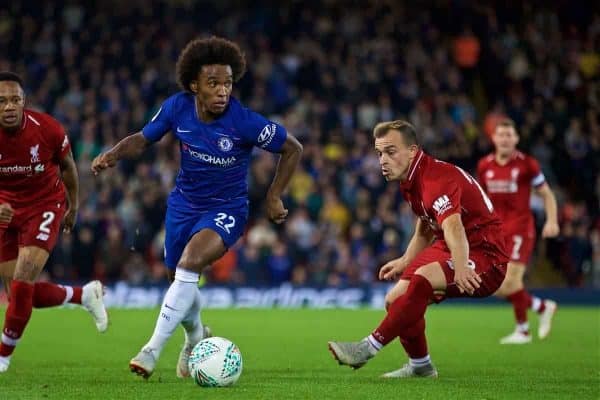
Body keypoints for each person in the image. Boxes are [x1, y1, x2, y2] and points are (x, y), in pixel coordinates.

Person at [92, 37, 302, 379]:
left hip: (227, 208)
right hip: (183, 205)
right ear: (194, 85)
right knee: (179, 278)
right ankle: (195, 338)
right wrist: (113, 154)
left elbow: (293, 148)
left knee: (190, 263)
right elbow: (143, 138)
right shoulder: (177, 108)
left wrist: (274, 195)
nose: (223, 91)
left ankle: (151, 350)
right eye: (214, 83)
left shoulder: (245, 122)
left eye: (228, 83)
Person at [327, 120, 508, 378]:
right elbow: (426, 225)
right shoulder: (411, 178)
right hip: (453, 244)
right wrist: (405, 260)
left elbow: (454, 226)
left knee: (422, 280)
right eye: (379, 153)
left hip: (487, 254)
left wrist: (460, 264)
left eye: (391, 152)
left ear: (412, 151)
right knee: (395, 300)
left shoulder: (435, 179)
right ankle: (420, 365)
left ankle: (367, 347)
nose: (383, 161)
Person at [0, 72, 109, 373]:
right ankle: (83, 294)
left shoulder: (47, 129)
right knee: (20, 297)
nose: (9, 107)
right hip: (6, 212)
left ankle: (2, 357)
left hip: (44, 205)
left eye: (14, 100)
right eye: (1, 101)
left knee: (22, 282)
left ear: (24, 102)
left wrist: (73, 208)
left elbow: (69, 169)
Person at [477, 119, 558, 344]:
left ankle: (523, 330)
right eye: (500, 135)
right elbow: (481, 199)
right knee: (496, 287)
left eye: (509, 135)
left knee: (510, 282)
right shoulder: (485, 165)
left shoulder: (527, 164)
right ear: (493, 138)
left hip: (521, 230)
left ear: (516, 139)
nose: (504, 139)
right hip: (496, 233)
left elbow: (547, 194)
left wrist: (552, 221)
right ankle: (541, 307)